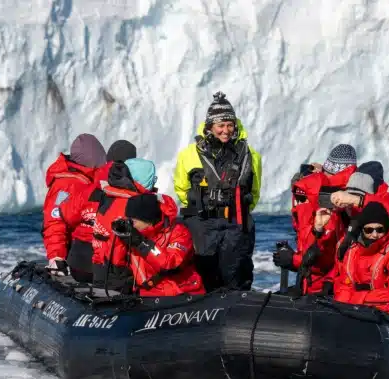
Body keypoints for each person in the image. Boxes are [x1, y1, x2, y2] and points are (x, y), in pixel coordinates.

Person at [173, 91, 262, 291]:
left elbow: (254, 191)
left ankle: (236, 314)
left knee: (236, 274)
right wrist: (202, 207)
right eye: (220, 125)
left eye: (230, 125)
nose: (226, 130)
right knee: (203, 275)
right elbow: (181, 187)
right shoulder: (188, 155)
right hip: (203, 224)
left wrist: (235, 210)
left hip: (236, 223)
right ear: (210, 127)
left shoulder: (251, 155)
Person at [273, 144, 358, 294]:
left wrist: (293, 260)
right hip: (327, 281)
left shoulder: (326, 203)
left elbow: (323, 254)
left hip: (325, 284)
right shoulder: (351, 196)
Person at [50, 139, 137, 283]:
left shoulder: (88, 186)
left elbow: (65, 216)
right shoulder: (133, 187)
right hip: (110, 263)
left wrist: (56, 256)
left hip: (79, 258)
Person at [91, 157, 172, 292]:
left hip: (100, 269)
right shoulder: (134, 206)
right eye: (152, 179)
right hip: (122, 277)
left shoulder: (110, 196)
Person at [332, 202, 389, 319]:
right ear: (362, 230)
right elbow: (343, 285)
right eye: (369, 230)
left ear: (386, 227)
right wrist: (341, 307)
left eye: (379, 229)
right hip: (357, 308)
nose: (374, 234)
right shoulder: (351, 250)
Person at [109, 194, 205, 296]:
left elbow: (170, 264)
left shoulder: (179, 232)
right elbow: (118, 267)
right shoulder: (133, 236)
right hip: (148, 295)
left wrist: (141, 243)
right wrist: (120, 241)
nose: (130, 225)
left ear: (148, 220)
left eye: (133, 221)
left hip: (183, 292)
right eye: (127, 220)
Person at [42, 134, 106, 275]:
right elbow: (55, 221)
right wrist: (56, 256)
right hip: (76, 252)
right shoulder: (65, 186)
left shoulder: (91, 179)